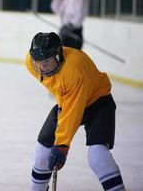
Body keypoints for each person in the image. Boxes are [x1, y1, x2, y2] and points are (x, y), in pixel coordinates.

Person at [26, 32, 125, 191]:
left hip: (98, 102)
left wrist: (62, 146)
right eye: (37, 63)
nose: (41, 68)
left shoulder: (75, 69)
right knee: (42, 152)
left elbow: (73, 110)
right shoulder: (32, 64)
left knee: (97, 156)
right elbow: (61, 92)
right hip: (68, 101)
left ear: (58, 57)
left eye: (46, 62)